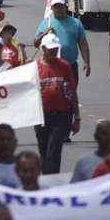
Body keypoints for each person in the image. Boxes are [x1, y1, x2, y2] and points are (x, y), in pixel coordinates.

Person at [34, 33, 79, 174]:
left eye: (55, 48)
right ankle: (45, 181)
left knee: (53, 152)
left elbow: (72, 91)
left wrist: (77, 118)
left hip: (60, 116)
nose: (53, 51)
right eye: (50, 49)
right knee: (43, 151)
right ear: (43, 48)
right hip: (41, 117)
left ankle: (52, 182)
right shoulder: (34, 68)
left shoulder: (64, 66)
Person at [34, 0, 91, 81]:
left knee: (71, 92)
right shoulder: (46, 23)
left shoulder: (76, 23)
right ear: (52, 8)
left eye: (61, 6)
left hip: (70, 65)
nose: (58, 9)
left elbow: (83, 44)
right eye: (56, 6)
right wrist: (45, 34)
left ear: (65, 6)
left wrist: (86, 62)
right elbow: (36, 43)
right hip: (52, 67)